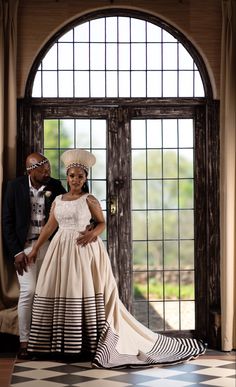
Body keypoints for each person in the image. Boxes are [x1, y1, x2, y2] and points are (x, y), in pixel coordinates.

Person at [26, 148, 206, 368]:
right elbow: (49, 226)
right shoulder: (58, 200)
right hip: (60, 251)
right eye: (72, 176)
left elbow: (102, 223)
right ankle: (55, 345)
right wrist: (35, 249)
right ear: (67, 176)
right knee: (57, 289)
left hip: (84, 251)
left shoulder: (89, 199)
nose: (75, 180)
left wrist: (92, 233)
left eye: (80, 176)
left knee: (80, 290)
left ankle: (84, 345)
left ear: (85, 178)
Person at [2, 152, 66, 359]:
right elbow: (7, 222)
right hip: (26, 249)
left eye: (48, 167)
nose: (48, 171)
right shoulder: (14, 186)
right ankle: (24, 342)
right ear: (30, 170)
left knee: (48, 292)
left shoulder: (55, 186)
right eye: (43, 168)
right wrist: (17, 253)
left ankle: (46, 341)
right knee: (28, 292)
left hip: (49, 245)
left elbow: (72, 204)